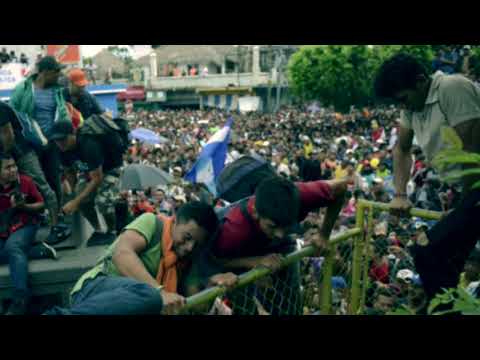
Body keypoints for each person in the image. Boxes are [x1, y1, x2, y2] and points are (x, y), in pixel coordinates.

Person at [374, 53, 480, 302]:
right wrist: (400, 194)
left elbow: (472, 153)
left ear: (421, 81)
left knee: (425, 251)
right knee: (448, 265)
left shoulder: (451, 88)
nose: (403, 106)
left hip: (476, 185)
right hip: (465, 192)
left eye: (403, 98)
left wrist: (460, 209)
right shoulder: (413, 105)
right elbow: (401, 148)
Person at [183, 176, 348, 314]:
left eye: (285, 225)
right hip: (236, 256)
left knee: (290, 305)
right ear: (255, 212)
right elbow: (215, 260)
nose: (279, 233)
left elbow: (340, 187)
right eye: (272, 226)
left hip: (279, 248)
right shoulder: (234, 228)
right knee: (245, 305)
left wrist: (323, 235)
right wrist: (254, 262)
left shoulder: (300, 195)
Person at [45, 201, 235, 315]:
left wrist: (214, 286)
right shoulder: (151, 221)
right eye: (187, 238)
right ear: (175, 220)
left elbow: (197, 305)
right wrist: (159, 292)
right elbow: (122, 254)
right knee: (150, 295)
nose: (189, 248)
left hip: (130, 308)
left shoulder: (191, 259)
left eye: (196, 244)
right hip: (95, 290)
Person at [10, 56, 70, 233]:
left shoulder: (57, 90)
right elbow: (13, 112)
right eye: (56, 71)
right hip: (30, 144)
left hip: (51, 143)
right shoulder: (24, 88)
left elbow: (62, 112)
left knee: (54, 181)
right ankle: (42, 217)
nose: (59, 75)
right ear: (45, 72)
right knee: (38, 183)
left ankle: (56, 218)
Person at [49, 119, 122, 245]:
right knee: (81, 200)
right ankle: (98, 230)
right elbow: (69, 172)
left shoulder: (88, 144)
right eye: (56, 140)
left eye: (63, 139)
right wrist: (74, 196)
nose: (60, 143)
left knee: (103, 201)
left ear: (73, 134)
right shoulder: (60, 149)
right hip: (89, 170)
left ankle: (112, 231)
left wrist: (75, 202)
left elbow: (97, 179)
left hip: (110, 169)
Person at [0, 153, 56, 315]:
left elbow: (41, 205)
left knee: (13, 247)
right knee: (13, 250)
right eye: (7, 167)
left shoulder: (25, 181)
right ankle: (38, 251)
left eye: (14, 166)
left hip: (24, 224)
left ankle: (20, 298)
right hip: (3, 229)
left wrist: (23, 206)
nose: (13, 170)